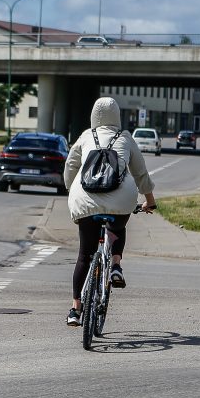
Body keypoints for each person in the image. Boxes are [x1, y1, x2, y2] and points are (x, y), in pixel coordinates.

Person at [63, 97, 157, 327]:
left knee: (84, 255)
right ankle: (115, 264)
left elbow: (70, 166)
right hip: (121, 200)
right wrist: (150, 202)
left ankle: (76, 310)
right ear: (117, 116)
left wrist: (71, 188)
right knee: (117, 226)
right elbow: (141, 174)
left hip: (85, 199)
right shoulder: (125, 138)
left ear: (94, 117)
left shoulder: (86, 136)